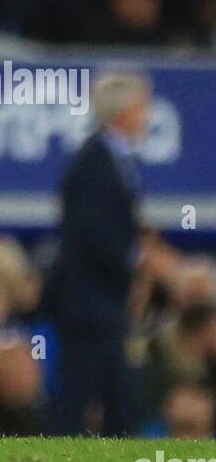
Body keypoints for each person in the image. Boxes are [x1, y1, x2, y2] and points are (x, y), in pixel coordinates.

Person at [48, 71, 150, 436]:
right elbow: (92, 234)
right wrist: (137, 260)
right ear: (123, 112)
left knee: (119, 400)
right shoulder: (94, 161)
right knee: (77, 402)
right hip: (88, 306)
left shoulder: (114, 158)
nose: (148, 116)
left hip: (104, 304)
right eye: (143, 107)